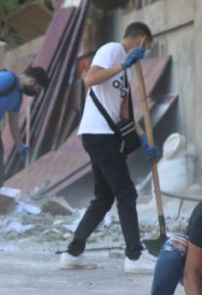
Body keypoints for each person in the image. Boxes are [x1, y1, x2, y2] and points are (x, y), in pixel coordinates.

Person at [59, 22, 158, 274]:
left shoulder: (125, 73)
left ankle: (73, 253)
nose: (146, 53)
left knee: (104, 197)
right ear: (143, 40)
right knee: (127, 194)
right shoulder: (112, 50)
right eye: (147, 47)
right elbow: (89, 79)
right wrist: (121, 65)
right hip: (98, 134)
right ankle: (134, 257)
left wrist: (144, 137)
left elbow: (123, 113)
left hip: (105, 136)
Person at [0, 65, 49, 203]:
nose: (36, 92)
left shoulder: (18, 96)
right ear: (32, 81)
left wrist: (20, 144)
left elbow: (13, 121)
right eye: (38, 89)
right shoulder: (6, 79)